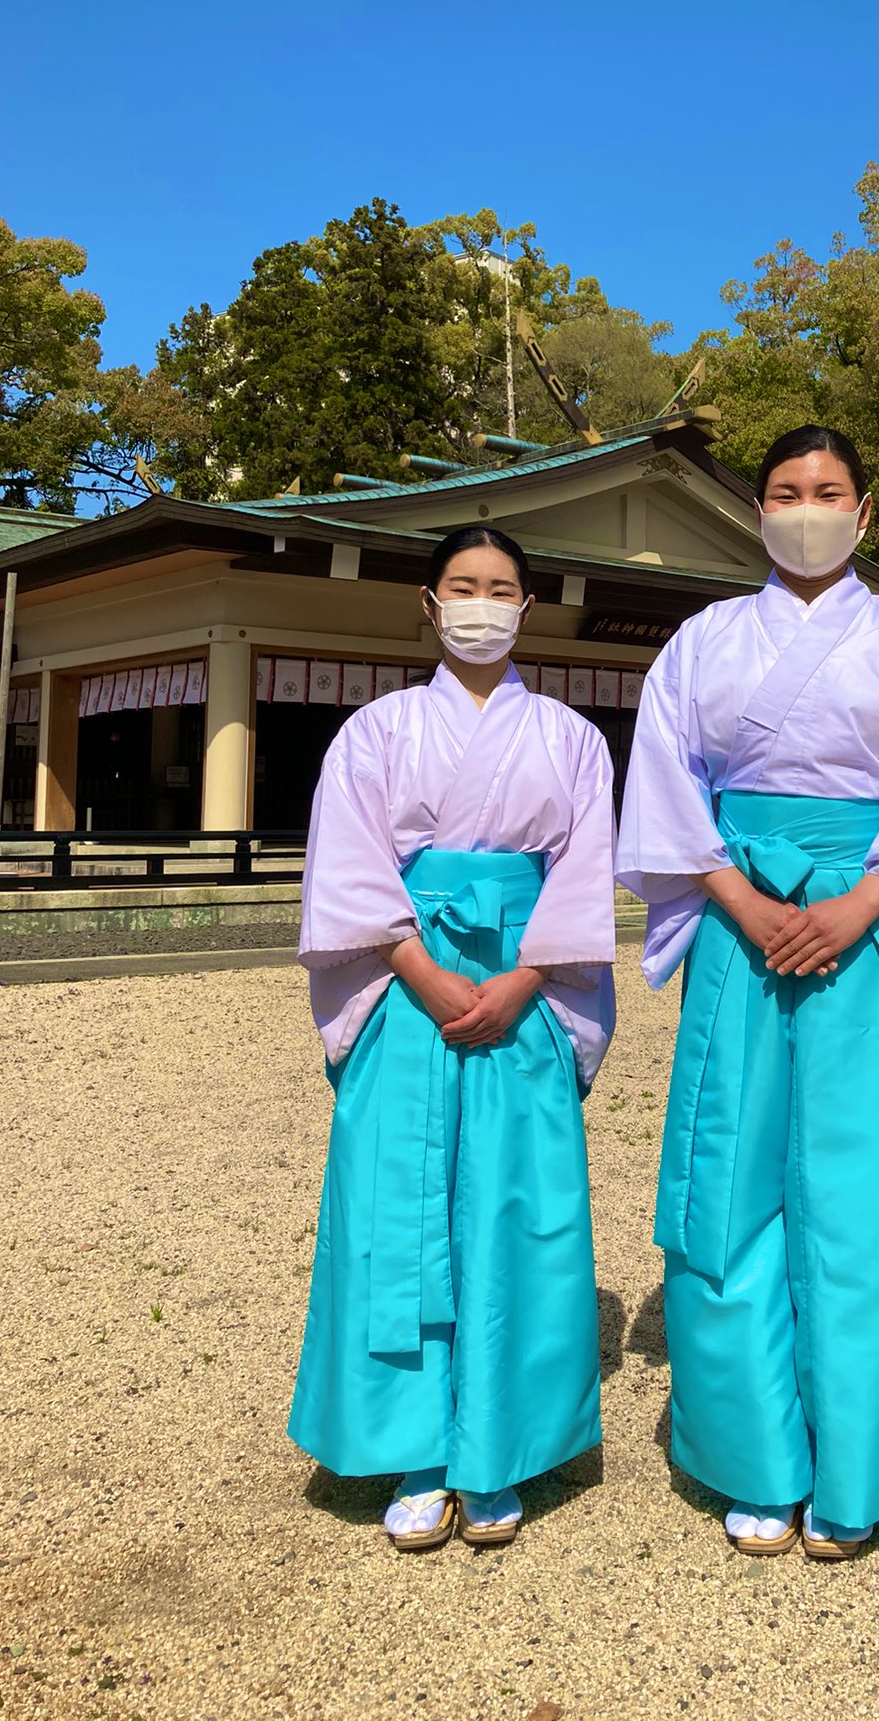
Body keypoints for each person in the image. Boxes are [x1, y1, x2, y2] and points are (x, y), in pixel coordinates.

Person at [617, 425, 879, 1560]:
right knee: (728, 1179)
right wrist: (738, 894)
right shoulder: (701, 640)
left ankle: (859, 1463)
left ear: (866, 514)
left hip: (867, 919)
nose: (808, 506)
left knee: (864, 1191)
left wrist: (862, 902)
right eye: (786, 491)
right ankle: (754, 1457)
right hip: (740, 917)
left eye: (830, 491)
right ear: (759, 512)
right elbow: (666, 781)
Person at [288, 525, 617, 1552]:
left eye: (502, 588)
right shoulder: (376, 732)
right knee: (403, 1204)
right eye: (462, 587)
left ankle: (501, 1444)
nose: (482, 603)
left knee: (514, 1209)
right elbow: (347, 861)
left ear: (527, 607)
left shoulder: (571, 738)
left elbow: (583, 870)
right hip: (404, 983)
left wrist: (523, 979)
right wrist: (426, 976)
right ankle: (420, 1448)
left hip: (526, 985)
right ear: (429, 605)